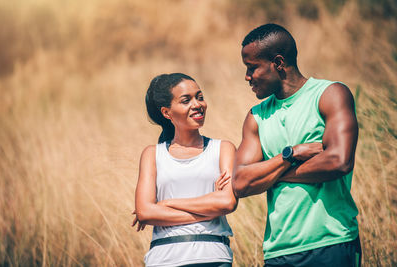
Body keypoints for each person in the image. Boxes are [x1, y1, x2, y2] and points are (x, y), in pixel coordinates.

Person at [232, 23, 361, 267]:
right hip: (277, 251)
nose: (247, 77)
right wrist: (292, 154)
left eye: (252, 68)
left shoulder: (330, 94)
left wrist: (272, 175)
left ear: (278, 63)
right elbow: (240, 182)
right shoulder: (256, 116)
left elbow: (339, 161)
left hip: (332, 242)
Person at [133, 73, 238, 267]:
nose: (198, 104)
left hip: (213, 256)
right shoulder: (152, 155)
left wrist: (166, 204)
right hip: (164, 259)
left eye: (199, 97)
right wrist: (209, 207)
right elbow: (145, 212)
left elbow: (227, 202)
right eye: (186, 100)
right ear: (167, 112)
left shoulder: (223, 149)